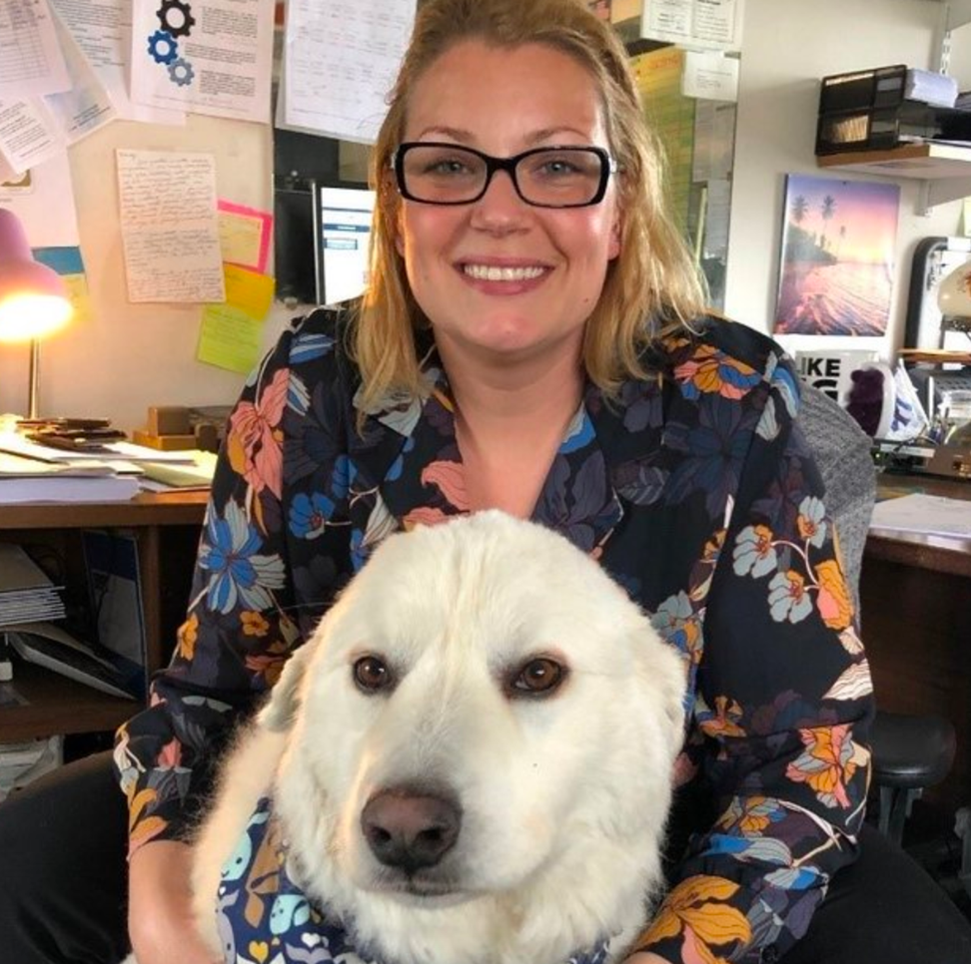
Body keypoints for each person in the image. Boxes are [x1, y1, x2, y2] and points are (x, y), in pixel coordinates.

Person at [2, 1, 970, 962]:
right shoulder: (305, 389)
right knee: (24, 872)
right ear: (396, 205)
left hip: (667, 845)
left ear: (619, 207)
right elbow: (206, 695)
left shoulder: (730, 402)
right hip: (344, 829)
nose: (498, 212)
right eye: (450, 165)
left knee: (912, 942)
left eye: (555, 165)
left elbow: (807, 758)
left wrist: (667, 953)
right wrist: (164, 899)